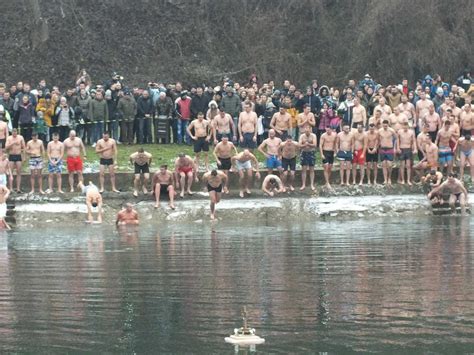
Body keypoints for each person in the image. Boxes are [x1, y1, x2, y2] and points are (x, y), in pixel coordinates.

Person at [5, 129, 25, 193]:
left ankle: (18, 188)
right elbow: (6, 147)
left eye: (15, 132)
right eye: (13, 132)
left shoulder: (20, 137)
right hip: (11, 155)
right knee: (11, 173)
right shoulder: (9, 138)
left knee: (19, 172)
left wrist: (24, 157)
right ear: (12, 133)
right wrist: (13, 143)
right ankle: (11, 188)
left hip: (18, 155)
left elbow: (24, 147)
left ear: (17, 132)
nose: (14, 133)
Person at [378, 120, 397, 186]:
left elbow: (396, 139)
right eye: (384, 126)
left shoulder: (391, 130)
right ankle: (385, 179)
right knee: (383, 164)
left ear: (388, 125)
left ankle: (389, 178)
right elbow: (378, 139)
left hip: (390, 148)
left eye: (386, 126)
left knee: (389, 164)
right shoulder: (380, 131)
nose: (385, 127)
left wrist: (395, 148)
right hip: (382, 148)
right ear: (382, 125)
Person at [299, 125, 317, 190]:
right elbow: (299, 145)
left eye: (308, 130)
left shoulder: (313, 136)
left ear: (310, 130)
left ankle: (312, 184)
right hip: (304, 152)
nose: (307, 131)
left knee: (312, 169)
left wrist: (308, 144)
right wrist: (304, 145)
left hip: (311, 152)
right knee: (304, 169)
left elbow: (315, 145)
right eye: (306, 130)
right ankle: (303, 184)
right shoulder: (302, 136)